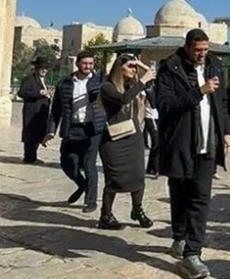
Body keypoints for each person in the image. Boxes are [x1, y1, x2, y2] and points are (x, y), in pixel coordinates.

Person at [157, 29, 230, 279]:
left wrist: (227, 131)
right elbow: (165, 105)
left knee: (200, 198)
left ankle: (192, 254)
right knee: (179, 193)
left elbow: (222, 103)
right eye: (198, 50)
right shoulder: (170, 68)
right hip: (180, 143)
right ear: (188, 47)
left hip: (208, 144)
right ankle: (179, 237)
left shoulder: (215, 66)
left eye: (206, 49)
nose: (203, 54)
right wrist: (199, 91)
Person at [97, 55, 156, 230]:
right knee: (115, 178)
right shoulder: (107, 86)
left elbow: (154, 97)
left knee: (138, 176)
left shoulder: (134, 86)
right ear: (119, 67)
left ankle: (137, 209)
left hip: (133, 137)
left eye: (134, 67)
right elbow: (123, 99)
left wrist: (144, 67)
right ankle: (105, 215)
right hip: (114, 139)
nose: (133, 70)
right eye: (130, 66)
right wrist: (142, 81)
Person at [43, 51, 106, 212]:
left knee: (89, 163)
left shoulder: (100, 81)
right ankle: (82, 184)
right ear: (78, 64)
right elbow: (56, 110)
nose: (88, 66)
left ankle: (91, 201)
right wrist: (51, 131)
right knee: (67, 162)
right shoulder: (65, 83)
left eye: (91, 64)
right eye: (85, 63)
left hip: (93, 129)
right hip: (72, 128)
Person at [17, 56, 51, 164]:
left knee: (38, 135)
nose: (44, 70)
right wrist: (39, 93)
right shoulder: (29, 79)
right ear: (37, 68)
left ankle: (33, 157)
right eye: (42, 68)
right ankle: (29, 158)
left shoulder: (43, 80)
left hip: (40, 113)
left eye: (46, 68)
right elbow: (21, 93)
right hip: (32, 112)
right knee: (30, 135)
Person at [143, 80, 159, 177]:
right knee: (156, 143)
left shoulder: (159, 87)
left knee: (156, 143)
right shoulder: (147, 89)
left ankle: (151, 167)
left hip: (157, 117)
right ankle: (156, 168)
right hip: (151, 116)